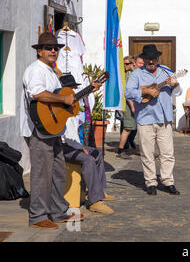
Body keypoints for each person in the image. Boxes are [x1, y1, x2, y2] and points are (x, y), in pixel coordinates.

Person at [20, 32, 91, 229]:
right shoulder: (36, 70)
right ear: (39, 51)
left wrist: (79, 94)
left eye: (56, 48)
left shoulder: (51, 71)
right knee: (42, 174)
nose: (53, 51)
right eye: (49, 48)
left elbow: (60, 98)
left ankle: (58, 211)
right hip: (39, 129)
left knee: (58, 171)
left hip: (53, 129)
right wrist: (62, 100)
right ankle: (38, 216)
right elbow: (37, 93)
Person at [125, 44, 182, 196]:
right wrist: (146, 91)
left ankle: (168, 181)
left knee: (167, 153)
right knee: (147, 153)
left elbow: (179, 91)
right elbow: (128, 92)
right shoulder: (137, 74)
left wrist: (175, 84)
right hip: (145, 119)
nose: (151, 61)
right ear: (144, 59)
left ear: (157, 58)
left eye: (154, 58)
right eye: (148, 59)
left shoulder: (166, 71)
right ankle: (150, 182)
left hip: (164, 118)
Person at [59, 74, 115, 214]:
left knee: (97, 153)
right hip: (64, 147)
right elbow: (68, 136)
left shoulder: (73, 106)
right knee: (89, 159)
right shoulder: (62, 108)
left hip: (73, 144)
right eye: (72, 88)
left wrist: (91, 89)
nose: (74, 91)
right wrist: (81, 148)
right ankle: (95, 201)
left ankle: (100, 191)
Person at [117, 56, 137, 159]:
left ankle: (130, 144)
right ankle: (121, 150)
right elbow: (128, 92)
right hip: (127, 104)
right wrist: (132, 106)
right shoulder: (126, 74)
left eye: (127, 64)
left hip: (129, 103)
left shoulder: (131, 73)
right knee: (127, 128)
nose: (125, 66)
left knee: (132, 127)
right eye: (123, 64)